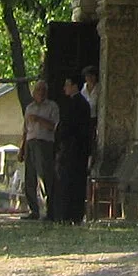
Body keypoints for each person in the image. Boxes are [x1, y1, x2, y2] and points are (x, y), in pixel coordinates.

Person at [50, 75, 93, 223]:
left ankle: (66, 214)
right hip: (79, 150)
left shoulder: (74, 105)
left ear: (74, 86)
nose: (65, 88)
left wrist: (59, 138)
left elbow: (67, 128)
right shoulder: (83, 104)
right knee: (77, 182)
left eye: (67, 85)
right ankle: (75, 214)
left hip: (71, 150)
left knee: (68, 182)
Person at [21, 79, 59, 219]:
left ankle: (49, 211)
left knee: (44, 176)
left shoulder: (52, 107)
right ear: (33, 92)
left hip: (44, 143)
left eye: (43, 90)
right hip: (30, 142)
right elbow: (25, 130)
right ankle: (33, 211)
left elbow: (54, 126)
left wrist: (38, 119)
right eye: (38, 90)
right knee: (30, 177)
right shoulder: (29, 108)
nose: (40, 93)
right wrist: (22, 148)